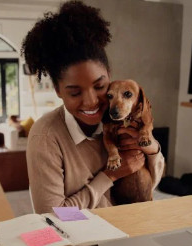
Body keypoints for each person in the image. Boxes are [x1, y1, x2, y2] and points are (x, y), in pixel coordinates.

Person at [22, 0, 165, 214]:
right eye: (75, 92)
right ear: (58, 90)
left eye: (99, 86)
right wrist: (110, 176)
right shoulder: (46, 136)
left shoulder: (121, 117)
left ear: (109, 75)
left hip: (136, 223)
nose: (91, 102)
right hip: (86, 241)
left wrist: (151, 147)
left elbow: (151, 184)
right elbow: (51, 217)